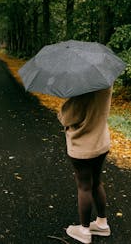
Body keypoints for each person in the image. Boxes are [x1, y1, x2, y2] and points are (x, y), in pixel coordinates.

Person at [57, 87, 113, 244]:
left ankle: (84, 230)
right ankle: (102, 224)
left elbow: (67, 117)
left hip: (83, 145)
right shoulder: (105, 82)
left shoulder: (82, 87)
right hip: (101, 140)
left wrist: (63, 108)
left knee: (84, 186)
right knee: (96, 182)